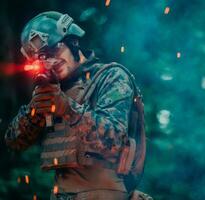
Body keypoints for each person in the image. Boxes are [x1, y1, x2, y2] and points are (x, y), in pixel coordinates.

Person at [5, 11, 152, 200]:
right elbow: (13, 143)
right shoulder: (52, 90)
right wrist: (35, 110)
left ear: (73, 42)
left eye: (55, 50)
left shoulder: (111, 77)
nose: (52, 61)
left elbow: (114, 140)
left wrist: (66, 108)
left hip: (104, 194)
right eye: (42, 57)